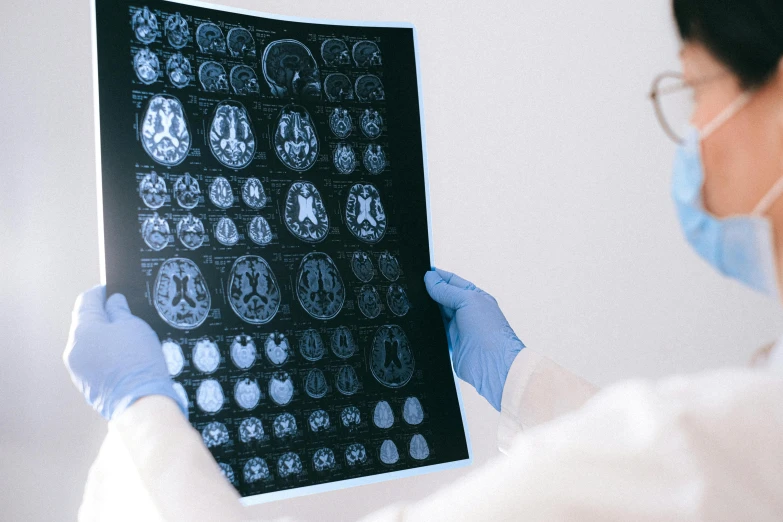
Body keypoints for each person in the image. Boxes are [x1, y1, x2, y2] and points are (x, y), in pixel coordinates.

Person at [65, 1, 783, 520]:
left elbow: (674, 461)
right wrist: (521, 378)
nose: (690, 132)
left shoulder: (706, 446)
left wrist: (143, 413)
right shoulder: (731, 438)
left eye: (694, 87)